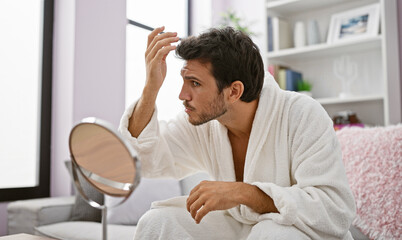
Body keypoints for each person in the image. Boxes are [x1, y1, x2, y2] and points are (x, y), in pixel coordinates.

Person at [118, 26, 356, 239]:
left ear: (234, 91)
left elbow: (333, 210)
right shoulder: (203, 122)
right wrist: (151, 87)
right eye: (184, 81)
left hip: (300, 231)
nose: (183, 95)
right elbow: (147, 159)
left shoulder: (302, 115)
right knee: (157, 222)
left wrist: (245, 193)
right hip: (241, 227)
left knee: (271, 234)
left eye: (195, 83)